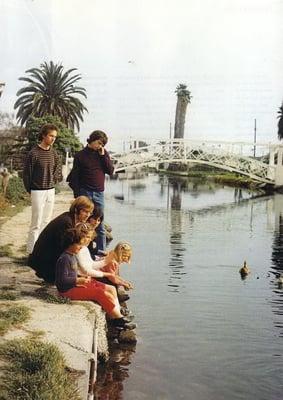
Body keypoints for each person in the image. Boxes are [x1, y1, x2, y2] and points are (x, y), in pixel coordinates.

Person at [55, 223, 136, 330]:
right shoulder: (65, 259)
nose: (81, 248)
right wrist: (78, 280)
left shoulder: (72, 255)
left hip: (74, 286)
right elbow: (61, 282)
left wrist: (81, 280)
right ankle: (118, 320)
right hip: (66, 291)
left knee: (109, 289)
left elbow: (81, 270)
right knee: (99, 293)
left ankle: (118, 314)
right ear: (70, 244)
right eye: (79, 245)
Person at [67, 130, 114, 253]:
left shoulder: (103, 155)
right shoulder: (80, 155)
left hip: (99, 193)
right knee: (83, 223)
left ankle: (101, 252)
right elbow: (75, 177)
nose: (100, 146)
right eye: (98, 143)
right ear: (92, 140)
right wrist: (78, 196)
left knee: (100, 224)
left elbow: (110, 171)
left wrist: (103, 156)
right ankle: (82, 251)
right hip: (85, 192)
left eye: (102, 144)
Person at [28, 196, 94, 283]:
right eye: (85, 211)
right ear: (76, 209)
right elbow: (66, 248)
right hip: (43, 258)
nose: (88, 215)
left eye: (90, 213)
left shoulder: (70, 218)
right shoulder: (66, 222)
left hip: (47, 255)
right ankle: (47, 273)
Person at [23, 124, 62, 254]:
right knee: (36, 222)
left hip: (50, 190)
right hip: (37, 191)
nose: (53, 139)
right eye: (51, 136)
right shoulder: (33, 153)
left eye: (55, 137)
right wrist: (30, 189)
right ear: (44, 135)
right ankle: (31, 251)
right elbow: (27, 174)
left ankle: (42, 250)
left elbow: (58, 168)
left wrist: (54, 180)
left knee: (46, 221)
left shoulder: (54, 153)